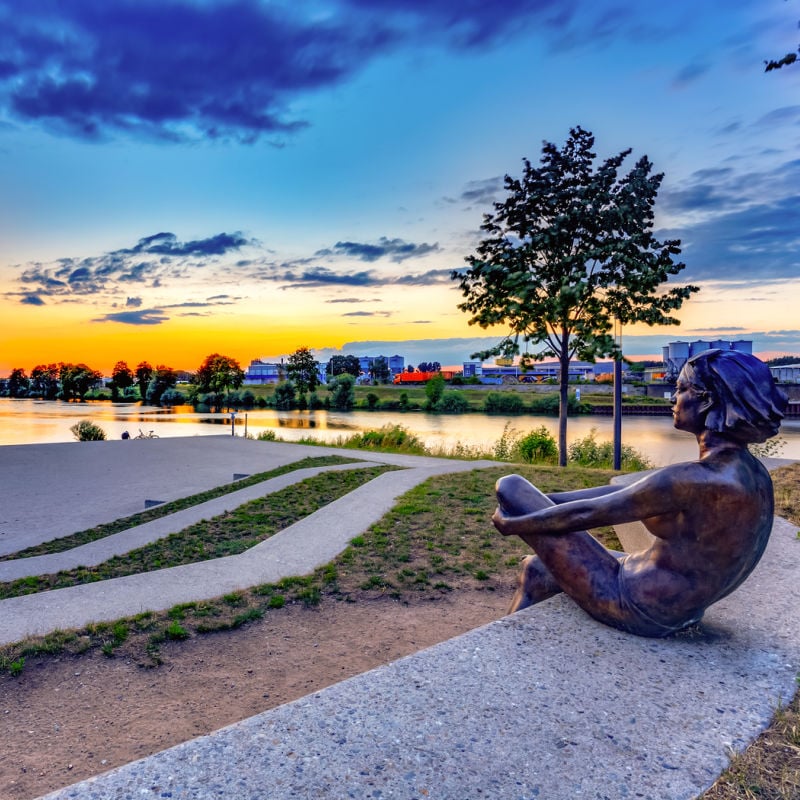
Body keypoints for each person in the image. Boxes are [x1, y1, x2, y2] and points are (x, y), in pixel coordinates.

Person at [493, 349, 788, 637]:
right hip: (678, 605)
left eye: (681, 388)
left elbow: (589, 513)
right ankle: (505, 646)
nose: (673, 398)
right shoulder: (753, 475)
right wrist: (542, 502)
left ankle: (501, 653)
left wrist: (516, 524)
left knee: (510, 486)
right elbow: (620, 496)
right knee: (537, 569)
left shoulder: (695, 479)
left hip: (637, 604)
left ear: (707, 400)